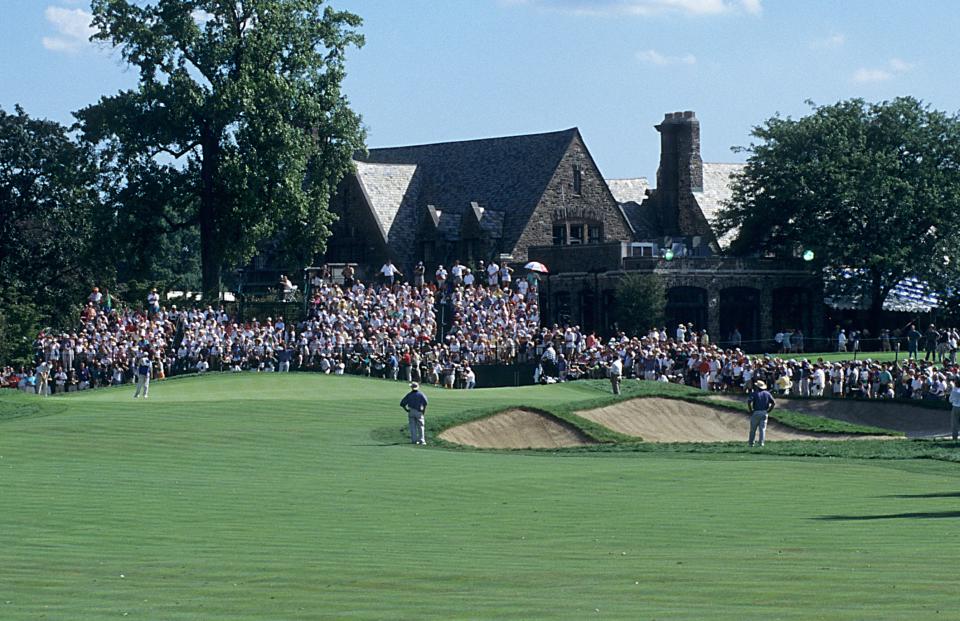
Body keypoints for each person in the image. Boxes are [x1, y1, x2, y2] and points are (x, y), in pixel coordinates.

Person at [747, 380, 776, 447]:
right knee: (762, 429)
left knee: (753, 429)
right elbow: (773, 403)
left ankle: (751, 444)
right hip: (764, 412)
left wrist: (750, 410)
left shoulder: (754, 393)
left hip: (756, 412)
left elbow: (749, 402)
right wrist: (769, 410)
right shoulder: (767, 393)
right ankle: (761, 444)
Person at [950, 376, 960, 441]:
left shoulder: (954, 390)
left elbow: (950, 400)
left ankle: (955, 437)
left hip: (956, 407)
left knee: (955, 423)